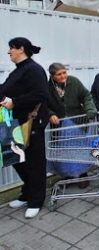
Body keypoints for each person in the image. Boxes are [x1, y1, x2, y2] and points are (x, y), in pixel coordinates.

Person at [0, 37, 49, 219]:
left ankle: (36, 200)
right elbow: (5, 89)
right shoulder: (18, 71)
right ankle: (27, 194)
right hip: (16, 124)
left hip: (32, 123)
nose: (8, 52)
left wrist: (15, 102)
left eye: (11, 48)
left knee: (35, 162)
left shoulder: (34, 70)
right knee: (18, 159)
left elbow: (40, 94)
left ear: (21, 49)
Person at [47, 62, 97, 188]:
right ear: (52, 76)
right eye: (59, 74)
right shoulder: (47, 87)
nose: (63, 76)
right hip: (59, 126)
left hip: (78, 122)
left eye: (64, 72)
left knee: (80, 149)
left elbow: (86, 96)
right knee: (64, 152)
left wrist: (90, 110)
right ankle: (67, 176)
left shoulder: (73, 81)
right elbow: (44, 104)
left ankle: (83, 174)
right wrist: (50, 114)